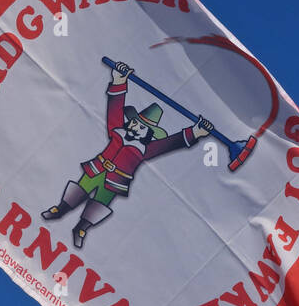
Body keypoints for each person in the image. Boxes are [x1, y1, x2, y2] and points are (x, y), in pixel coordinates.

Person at [42, 60, 213, 248]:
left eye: (141, 127)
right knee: (79, 190)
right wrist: (119, 82)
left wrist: (195, 132)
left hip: (116, 181)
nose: (135, 127)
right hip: (96, 169)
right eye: (134, 122)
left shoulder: (145, 150)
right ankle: (60, 210)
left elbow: (170, 143)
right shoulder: (117, 131)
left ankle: (81, 229)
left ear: (148, 134)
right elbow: (114, 110)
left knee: (99, 204)